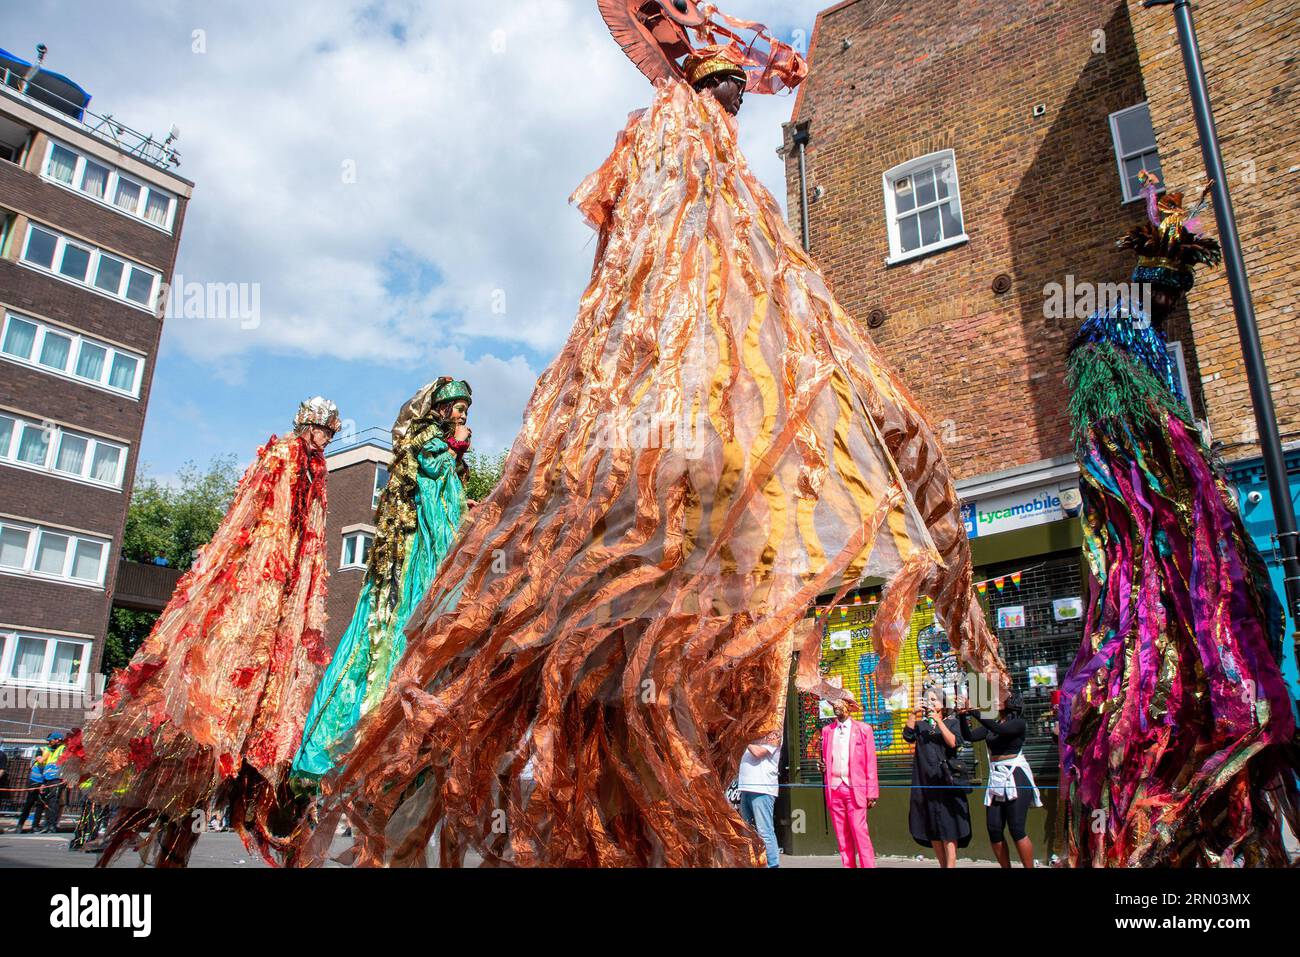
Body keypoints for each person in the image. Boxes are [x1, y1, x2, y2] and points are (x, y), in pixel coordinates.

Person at [306, 1, 1004, 868]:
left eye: (737, 101)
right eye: (724, 95)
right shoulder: (671, 140)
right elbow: (635, 254)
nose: (731, 112)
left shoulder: (729, 192)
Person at [1060, 172, 1299, 867]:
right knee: (1143, 635)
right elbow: (1117, 426)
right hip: (1144, 511)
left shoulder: (1156, 344)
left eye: (1178, 293)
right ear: (1141, 281)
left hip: (1177, 509)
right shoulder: (1107, 334)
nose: (1171, 303)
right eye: (1163, 290)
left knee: (1223, 616)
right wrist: (1169, 458)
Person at [62, 398, 341, 868]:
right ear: (306, 425)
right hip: (260, 579)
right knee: (207, 723)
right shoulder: (282, 455)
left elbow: (310, 532)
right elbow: (249, 516)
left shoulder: (320, 468)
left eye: (330, 434)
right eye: (322, 430)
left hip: (289, 592)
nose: (325, 440)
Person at [291, 378, 473, 785]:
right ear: (440, 409)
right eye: (458, 407)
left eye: (466, 409)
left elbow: (446, 492)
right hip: (418, 550)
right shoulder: (427, 438)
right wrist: (455, 446)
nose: (463, 415)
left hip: (437, 544)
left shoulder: (443, 445)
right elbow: (430, 472)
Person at [958, 693, 1039, 867]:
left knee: (1016, 829)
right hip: (996, 777)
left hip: (1015, 775)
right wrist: (963, 715)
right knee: (994, 829)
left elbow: (1000, 731)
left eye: (1000, 698)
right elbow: (969, 736)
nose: (995, 700)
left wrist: (974, 711)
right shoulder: (994, 724)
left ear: (1011, 703)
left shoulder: (1018, 723)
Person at [903, 689, 971, 867]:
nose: (930, 703)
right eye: (927, 700)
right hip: (926, 782)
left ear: (943, 704)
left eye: (933, 700)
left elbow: (953, 743)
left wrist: (938, 720)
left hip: (947, 781)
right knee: (932, 828)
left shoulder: (952, 722)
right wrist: (913, 713)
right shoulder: (921, 726)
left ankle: (951, 865)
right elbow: (908, 736)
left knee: (949, 827)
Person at [817, 699, 878, 868]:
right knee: (842, 836)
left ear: (849, 707)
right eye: (834, 703)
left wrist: (872, 792)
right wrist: (823, 766)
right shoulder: (827, 731)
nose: (836, 706)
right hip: (834, 788)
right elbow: (827, 758)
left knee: (860, 833)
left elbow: (870, 762)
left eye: (840, 703)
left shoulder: (863, 729)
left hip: (855, 789)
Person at [737, 732, 782, 868]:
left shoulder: (774, 734)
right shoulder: (752, 735)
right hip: (746, 787)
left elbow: (758, 752)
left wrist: (743, 738)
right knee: (747, 830)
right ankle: (754, 862)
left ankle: (772, 864)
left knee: (764, 831)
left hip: (762, 788)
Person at [37, 731, 66, 832]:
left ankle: (52, 825)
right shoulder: (51, 751)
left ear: (58, 740)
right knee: (48, 802)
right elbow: (47, 767)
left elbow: (67, 764)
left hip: (57, 779)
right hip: (48, 779)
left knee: (54, 802)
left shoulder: (63, 749)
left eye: (52, 740)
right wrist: (43, 783)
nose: (50, 742)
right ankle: (47, 824)